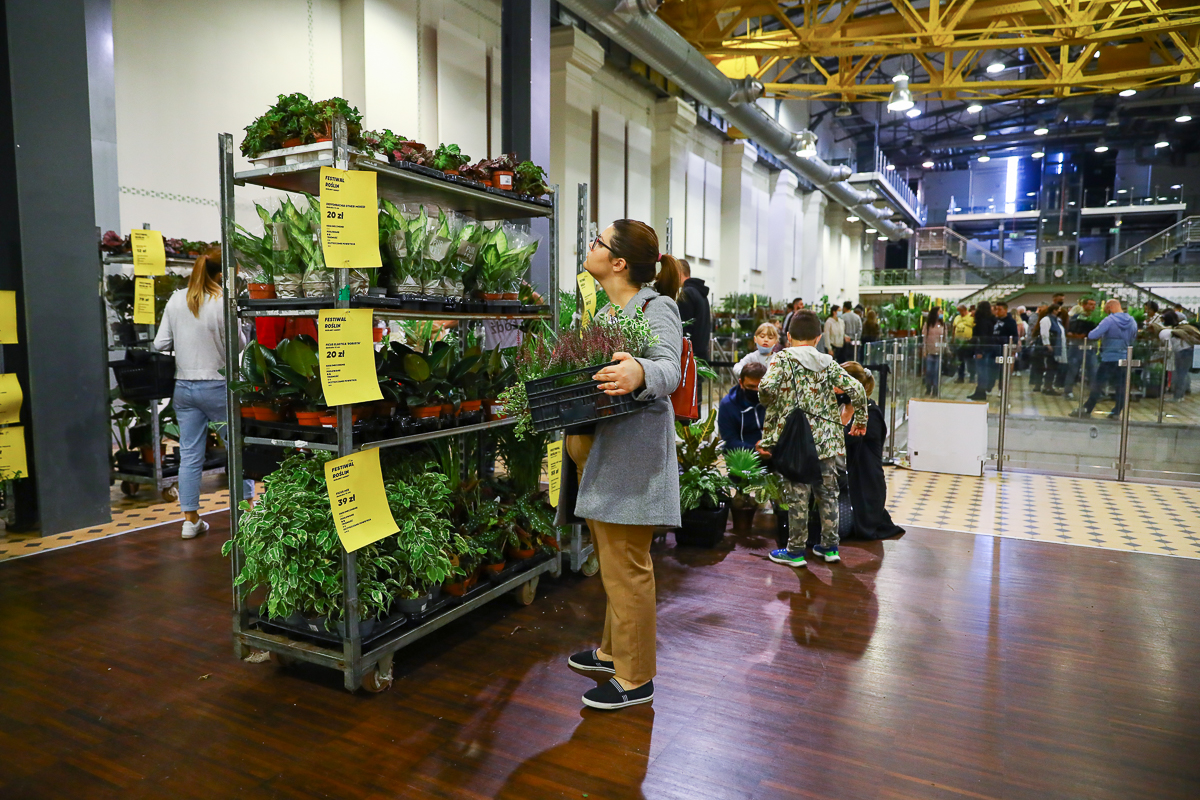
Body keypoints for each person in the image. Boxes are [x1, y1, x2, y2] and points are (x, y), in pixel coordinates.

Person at [559, 218, 682, 711]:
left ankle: (635, 678)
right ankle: (613, 652)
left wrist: (640, 370)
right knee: (613, 562)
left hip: (630, 462)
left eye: (597, 241)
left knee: (628, 567)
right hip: (601, 456)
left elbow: (669, 368)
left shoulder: (658, 307)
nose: (588, 245)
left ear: (618, 262)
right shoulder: (609, 311)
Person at [153, 248, 254, 539]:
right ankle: (248, 512)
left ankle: (190, 520)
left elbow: (160, 344)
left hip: (183, 387)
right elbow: (239, 344)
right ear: (222, 274)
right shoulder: (223, 302)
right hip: (218, 387)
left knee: (190, 456)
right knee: (237, 451)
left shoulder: (175, 299)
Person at [757, 310, 867, 567]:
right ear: (818, 337)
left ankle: (795, 552)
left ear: (788, 335)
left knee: (798, 496)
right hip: (827, 441)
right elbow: (858, 389)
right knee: (828, 493)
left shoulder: (781, 359)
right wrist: (859, 421)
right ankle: (830, 548)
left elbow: (765, 388)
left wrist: (770, 404)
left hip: (796, 442)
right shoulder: (828, 362)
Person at [838, 362, 905, 540]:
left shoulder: (870, 415)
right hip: (840, 483)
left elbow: (843, 440)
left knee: (842, 529)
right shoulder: (839, 407)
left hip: (863, 489)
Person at [1070, 298, 1138, 419]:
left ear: (1111, 307)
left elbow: (1092, 335)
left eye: (1106, 309)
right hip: (1124, 357)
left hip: (1109, 358)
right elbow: (1134, 337)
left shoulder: (1109, 320)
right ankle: (1117, 412)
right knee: (1121, 386)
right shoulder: (1132, 321)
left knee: (1098, 384)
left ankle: (1087, 409)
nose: (1106, 312)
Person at [718, 361, 767, 450]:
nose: (756, 390)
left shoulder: (773, 400)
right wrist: (755, 449)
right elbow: (730, 441)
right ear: (741, 383)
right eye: (751, 387)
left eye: (760, 386)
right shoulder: (728, 405)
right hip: (742, 457)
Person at [674, 258, 711, 363]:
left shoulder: (687, 294)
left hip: (690, 356)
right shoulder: (700, 293)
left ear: (678, 273)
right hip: (701, 354)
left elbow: (685, 327)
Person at [1062, 297, 1098, 400]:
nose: (1093, 307)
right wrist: (1077, 336)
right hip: (1076, 347)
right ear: (1084, 305)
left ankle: (1094, 394)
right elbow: (1068, 332)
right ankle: (1067, 391)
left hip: (1091, 347)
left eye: (1094, 304)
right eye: (1090, 304)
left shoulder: (1096, 319)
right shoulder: (1075, 318)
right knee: (1072, 369)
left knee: (1093, 370)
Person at [1159, 310, 1196, 402]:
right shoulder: (1176, 328)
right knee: (1182, 373)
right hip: (1187, 350)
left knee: (1180, 374)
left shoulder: (1166, 332)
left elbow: (1169, 347)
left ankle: (1178, 396)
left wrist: (1162, 350)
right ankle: (1180, 395)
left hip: (1182, 352)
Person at [1031, 303, 1066, 395]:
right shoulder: (1046, 319)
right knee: (1047, 366)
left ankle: (1048, 385)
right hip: (1047, 348)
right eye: (1058, 309)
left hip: (1055, 346)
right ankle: (1046, 386)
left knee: (1052, 366)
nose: (1060, 311)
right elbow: (1044, 333)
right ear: (1054, 310)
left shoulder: (1057, 320)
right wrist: (1047, 344)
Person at [967, 301, 996, 401]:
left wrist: (979, 351)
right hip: (989, 348)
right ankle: (980, 390)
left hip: (983, 349)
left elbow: (982, 337)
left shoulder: (982, 321)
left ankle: (981, 391)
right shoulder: (990, 320)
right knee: (984, 371)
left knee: (982, 371)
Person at [921, 307, 945, 396]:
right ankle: (928, 387)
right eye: (940, 311)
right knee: (929, 370)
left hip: (939, 352)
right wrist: (924, 350)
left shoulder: (943, 325)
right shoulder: (927, 325)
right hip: (929, 351)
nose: (941, 313)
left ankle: (935, 388)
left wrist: (945, 349)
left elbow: (944, 339)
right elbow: (924, 338)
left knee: (936, 371)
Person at [952, 304, 974, 383]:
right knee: (960, 360)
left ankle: (972, 377)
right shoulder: (957, 318)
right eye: (959, 312)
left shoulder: (971, 317)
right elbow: (954, 328)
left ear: (965, 310)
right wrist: (953, 339)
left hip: (968, 342)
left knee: (970, 360)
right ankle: (960, 377)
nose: (960, 313)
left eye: (961, 311)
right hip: (959, 342)